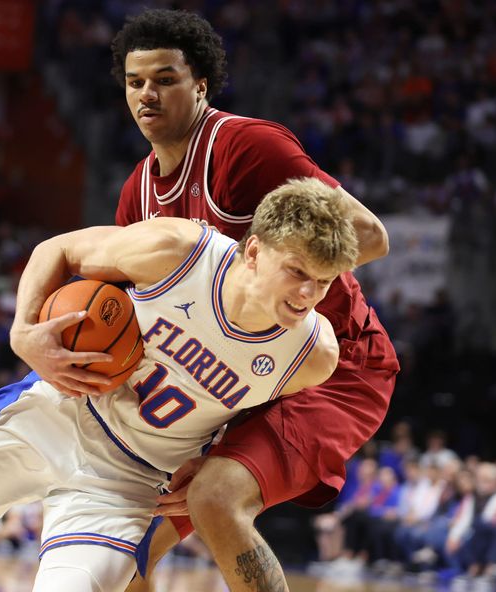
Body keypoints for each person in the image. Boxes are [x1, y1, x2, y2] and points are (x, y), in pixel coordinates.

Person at [0, 178, 357, 592]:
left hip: (128, 483)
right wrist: (25, 332)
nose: (308, 293)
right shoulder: (179, 252)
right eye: (297, 272)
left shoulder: (313, 355)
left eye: (323, 282)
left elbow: (254, 421)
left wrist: (217, 462)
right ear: (255, 251)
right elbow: (57, 251)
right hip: (59, 413)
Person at [98, 8, 397, 591]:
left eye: (166, 79)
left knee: (215, 497)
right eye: (136, 83)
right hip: (228, 380)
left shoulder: (245, 147)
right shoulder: (137, 195)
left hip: (331, 368)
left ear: (200, 84)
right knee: (121, 542)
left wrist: (268, 290)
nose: (147, 95)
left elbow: (370, 237)